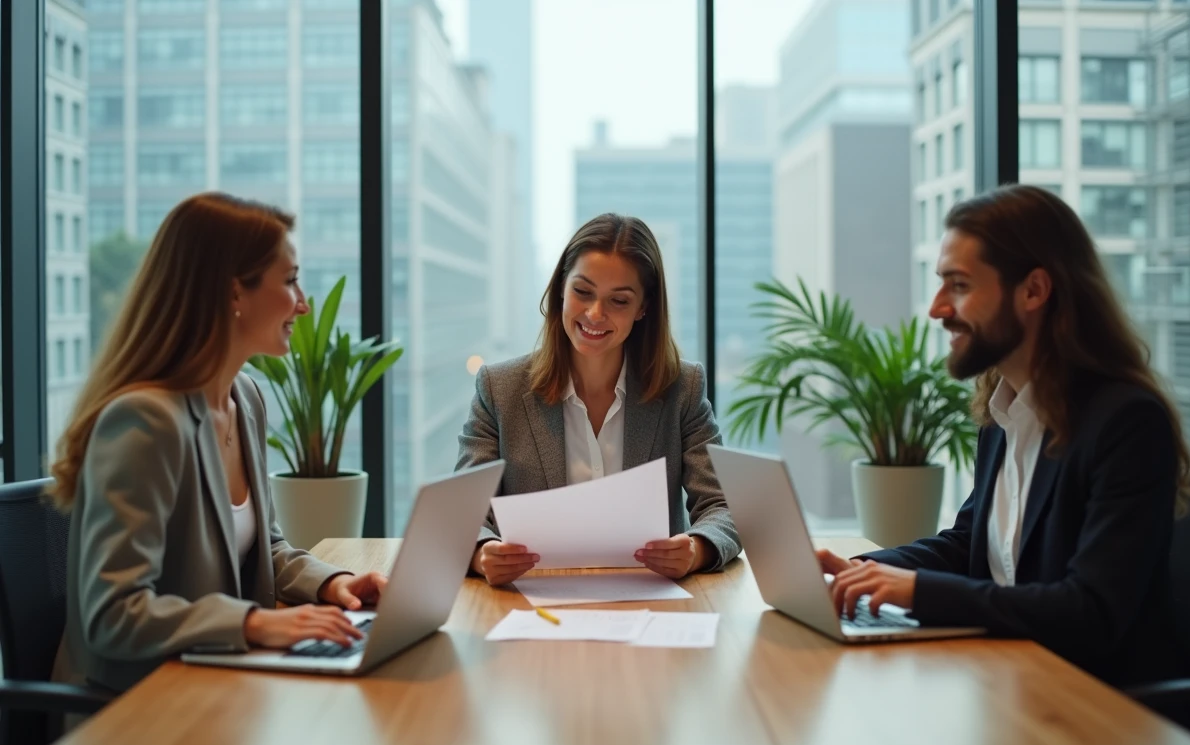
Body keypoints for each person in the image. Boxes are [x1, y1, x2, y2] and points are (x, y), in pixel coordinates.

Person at [817, 184, 1190, 686]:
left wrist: (919, 591)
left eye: (959, 285)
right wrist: (865, 570)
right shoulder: (1002, 412)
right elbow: (970, 544)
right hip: (1006, 678)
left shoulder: (1126, 423)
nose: (937, 308)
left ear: (1033, 290)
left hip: (1096, 703)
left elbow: (1092, 611)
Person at [50, 193, 387, 693]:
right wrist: (254, 623)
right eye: (290, 280)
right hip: (132, 706)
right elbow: (113, 613)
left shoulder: (244, 397)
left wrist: (333, 584)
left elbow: (264, 547)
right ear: (234, 293)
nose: (303, 303)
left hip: (214, 682)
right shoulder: (145, 421)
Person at [456, 213, 740, 585]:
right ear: (561, 288)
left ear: (643, 308)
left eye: (618, 300)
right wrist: (481, 553)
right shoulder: (499, 389)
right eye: (583, 292)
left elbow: (724, 506)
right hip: (532, 600)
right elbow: (461, 516)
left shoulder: (682, 388)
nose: (594, 314)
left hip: (653, 601)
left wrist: (696, 549)